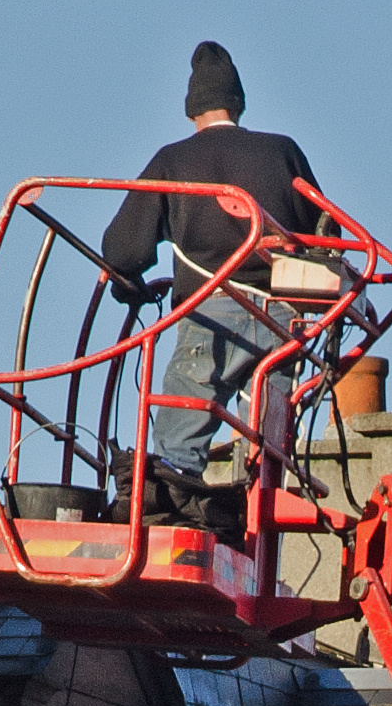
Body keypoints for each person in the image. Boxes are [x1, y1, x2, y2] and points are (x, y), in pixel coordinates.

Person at [97, 41, 325, 518]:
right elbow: (327, 235)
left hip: (213, 314)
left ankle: (166, 515)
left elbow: (123, 248)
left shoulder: (173, 162)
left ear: (190, 110)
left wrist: (127, 282)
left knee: (177, 447)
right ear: (238, 103)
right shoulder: (282, 152)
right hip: (286, 320)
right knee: (269, 446)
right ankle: (256, 509)